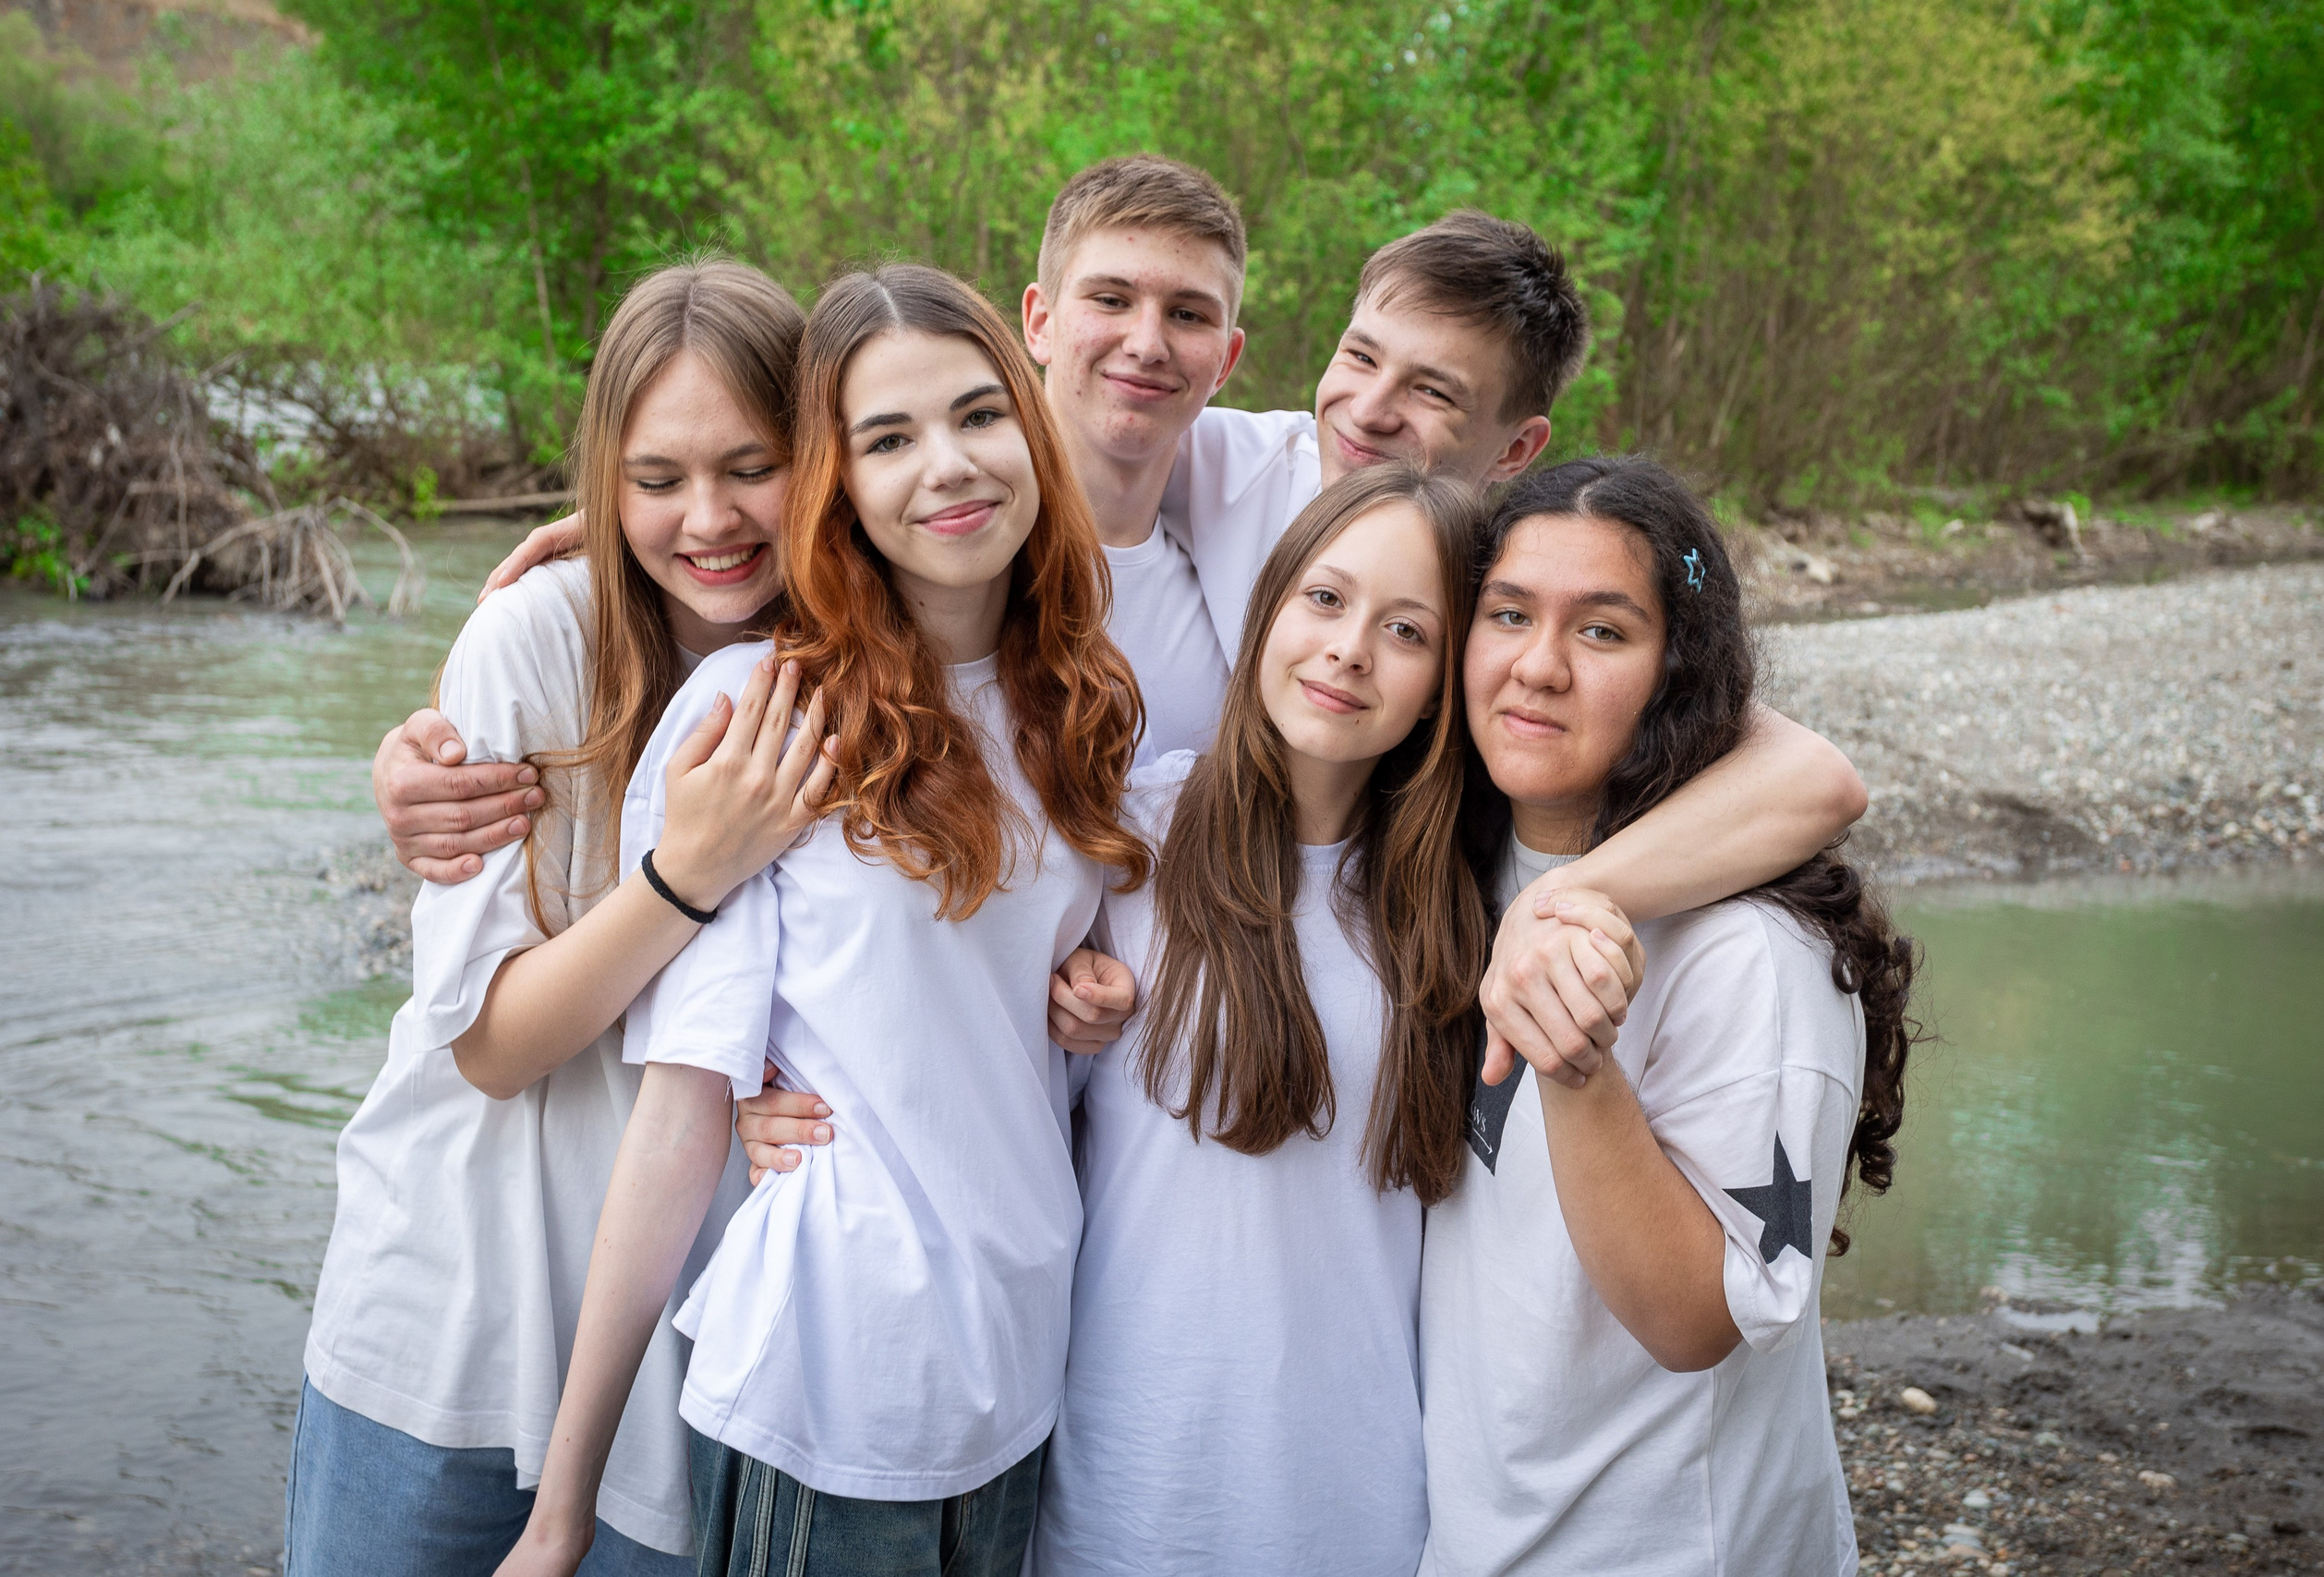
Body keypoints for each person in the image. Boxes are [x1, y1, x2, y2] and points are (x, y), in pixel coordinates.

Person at [384, 176, 1865, 1075]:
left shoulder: (1411, 529)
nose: (1373, 411)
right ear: (1040, 316)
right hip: (1028, 1084)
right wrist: (666, 522)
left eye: (1432, 397)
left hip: (1321, 1027)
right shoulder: (1145, 466)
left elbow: (1811, 779)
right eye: (1360, 360)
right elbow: (871, 455)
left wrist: (1572, 897)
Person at [490, 263, 1150, 1577]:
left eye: (979, 415)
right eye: (889, 438)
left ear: (1034, 422)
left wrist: (1092, 998)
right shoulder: (766, 713)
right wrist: (560, 1513)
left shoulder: (1079, 695)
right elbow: (681, 1114)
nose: (950, 467)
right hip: (833, 1378)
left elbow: (981, 1019)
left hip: (1021, 1360)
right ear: (837, 482)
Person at [288, 259, 836, 1575]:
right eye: (655, 480)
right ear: (605, 477)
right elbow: (490, 1043)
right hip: (452, 1317)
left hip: (677, 1337)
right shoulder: (534, 637)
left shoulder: (863, 661)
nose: (707, 517)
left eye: (750, 466)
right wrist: (685, 878)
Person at [1421, 456, 1921, 1575]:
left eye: (1602, 633)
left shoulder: (1750, 954)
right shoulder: (1461, 864)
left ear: (1677, 676)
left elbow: (1698, 1319)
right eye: (1506, 614)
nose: (1537, 667)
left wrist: (1577, 1065)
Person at [1032, 464, 1507, 1576]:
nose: (1349, 649)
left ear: (1445, 683)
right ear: (1269, 610)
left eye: (1406, 630)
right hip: (1129, 1490)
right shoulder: (1130, 838)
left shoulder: (1459, 902)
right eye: (1326, 600)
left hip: (1358, 1503)